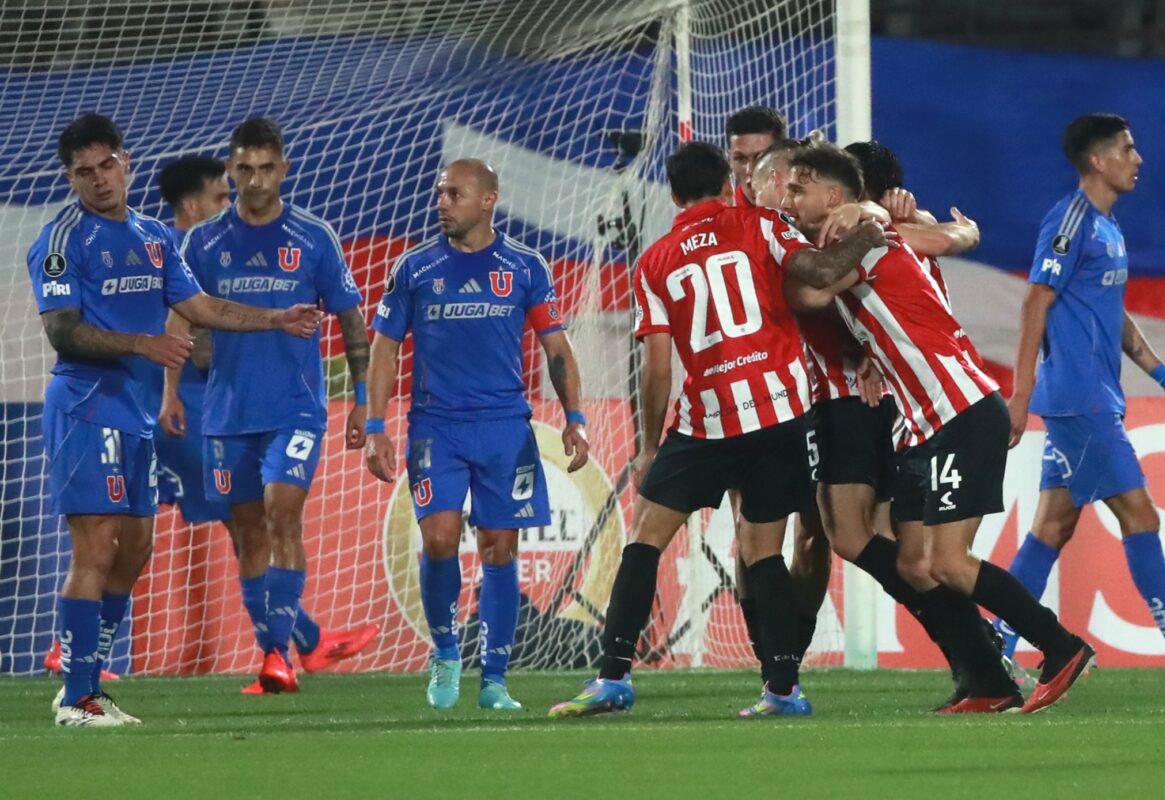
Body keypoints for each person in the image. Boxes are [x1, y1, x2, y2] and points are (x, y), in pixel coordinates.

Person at [549, 141, 889, 719]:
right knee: (762, 551)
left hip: (708, 420)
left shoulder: (654, 261)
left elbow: (657, 368)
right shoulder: (762, 225)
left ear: (673, 194)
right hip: (780, 413)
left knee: (645, 539)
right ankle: (783, 689)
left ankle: (612, 677)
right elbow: (822, 271)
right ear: (728, 186)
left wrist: (650, 446)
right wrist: (870, 232)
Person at [28, 113, 322, 727]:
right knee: (97, 544)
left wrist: (276, 318)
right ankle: (79, 694)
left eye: (107, 165)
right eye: (84, 172)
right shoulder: (61, 241)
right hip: (85, 407)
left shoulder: (155, 237)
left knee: (136, 548)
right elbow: (62, 331)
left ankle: (83, 680)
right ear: (70, 178)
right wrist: (144, 344)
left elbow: (201, 306)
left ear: (126, 164)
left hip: (135, 417)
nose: (99, 179)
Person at [784, 142, 1092, 714]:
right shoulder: (860, 237)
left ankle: (1061, 646)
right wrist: (960, 231)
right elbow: (943, 241)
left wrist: (857, 214)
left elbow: (809, 289)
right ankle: (990, 684)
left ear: (833, 195)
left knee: (947, 561)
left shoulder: (862, 226)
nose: (789, 198)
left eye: (799, 189)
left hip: (959, 411)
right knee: (911, 561)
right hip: (925, 424)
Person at [365, 158, 589, 711]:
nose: (442, 203)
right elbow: (384, 348)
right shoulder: (414, 268)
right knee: (440, 540)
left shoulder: (525, 266)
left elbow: (556, 347)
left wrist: (575, 418)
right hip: (436, 428)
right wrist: (375, 426)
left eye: (455, 194)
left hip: (504, 429)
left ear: (488, 200)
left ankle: (494, 679)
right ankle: (446, 653)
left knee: (499, 547)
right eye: (440, 192)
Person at [155, 155, 378, 691]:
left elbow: (348, 316)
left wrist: (363, 399)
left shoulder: (303, 237)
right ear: (193, 205)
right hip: (201, 413)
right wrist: (172, 390)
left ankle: (287, 649)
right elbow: (185, 329)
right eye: (221, 191)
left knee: (270, 521)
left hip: (266, 409)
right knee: (154, 529)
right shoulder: (192, 248)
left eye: (263, 170)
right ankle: (304, 643)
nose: (237, 193)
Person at [1002, 113, 1165, 685]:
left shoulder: (1109, 228)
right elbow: (1035, 302)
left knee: (1051, 527)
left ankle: (996, 641)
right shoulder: (1071, 221)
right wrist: (1020, 396)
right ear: (1098, 160)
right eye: (1128, 149)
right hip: (1080, 399)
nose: (1138, 159)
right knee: (1141, 515)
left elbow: (1113, 316)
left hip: (1091, 398)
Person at [725, 105, 787, 207]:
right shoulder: (724, 215)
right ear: (729, 161)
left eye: (762, 158)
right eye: (740, 158)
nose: (750, 170)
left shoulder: (806, 211)